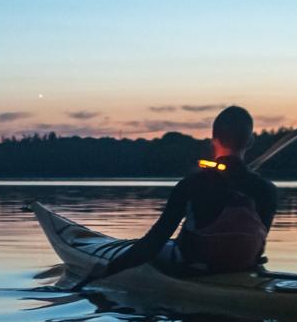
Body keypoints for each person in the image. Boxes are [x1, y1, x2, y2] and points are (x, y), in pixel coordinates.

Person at [101, 106, 278, 278]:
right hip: (245, 266)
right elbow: (259, 241)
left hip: (194, 268)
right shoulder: (267, 189)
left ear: (213, 139)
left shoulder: (192, 184)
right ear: (250, 141)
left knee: (159, 248)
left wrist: (108, 269)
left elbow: (153, 242)